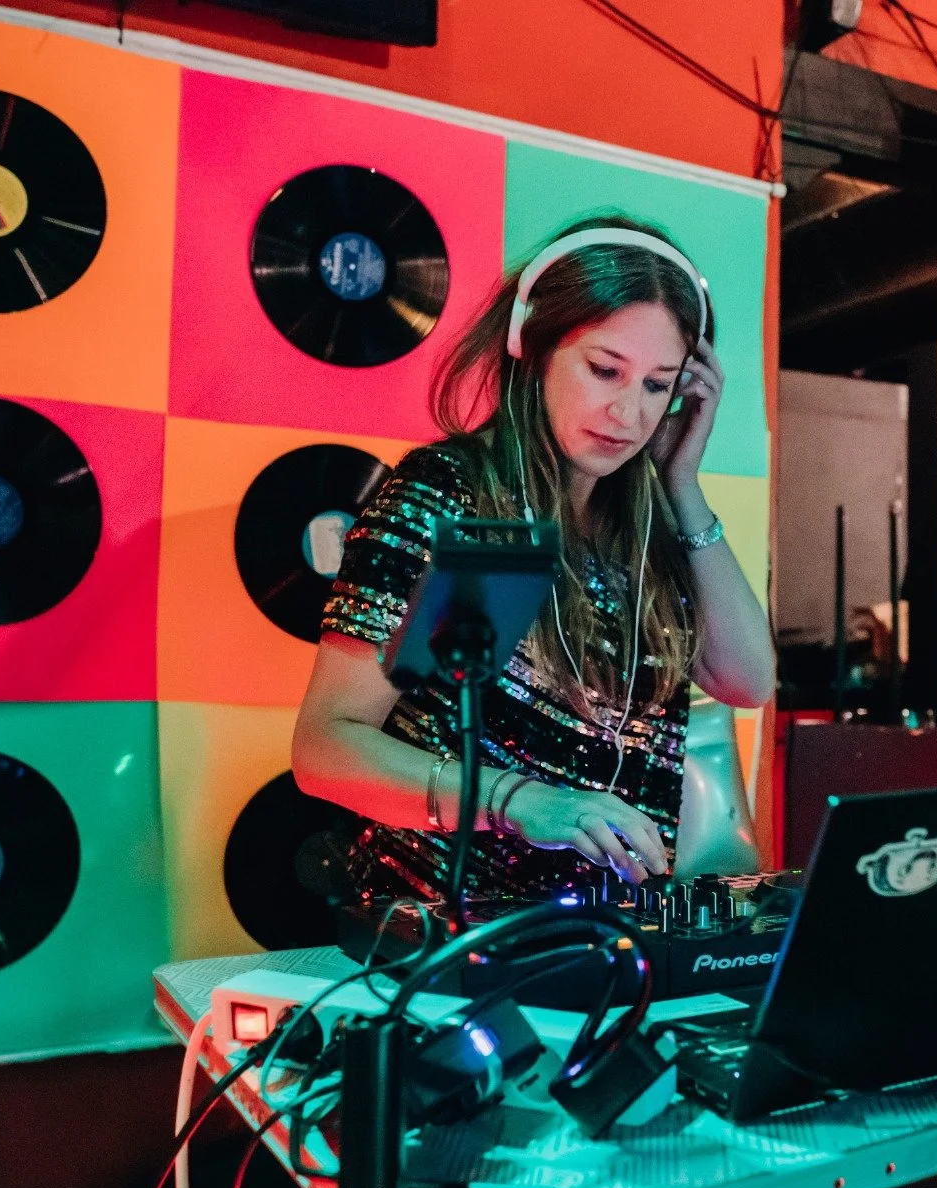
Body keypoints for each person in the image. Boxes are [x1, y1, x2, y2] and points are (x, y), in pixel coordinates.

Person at [292, 215, 775, 904]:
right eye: (606, 369)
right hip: (446, 930)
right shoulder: (448, 493)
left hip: (606, 937)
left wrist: (682, 485)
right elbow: (324, 750)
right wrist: (520, 801)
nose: (628, 412)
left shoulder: (644, 525)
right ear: (533, 345)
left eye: (656, 384)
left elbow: (747, 680)